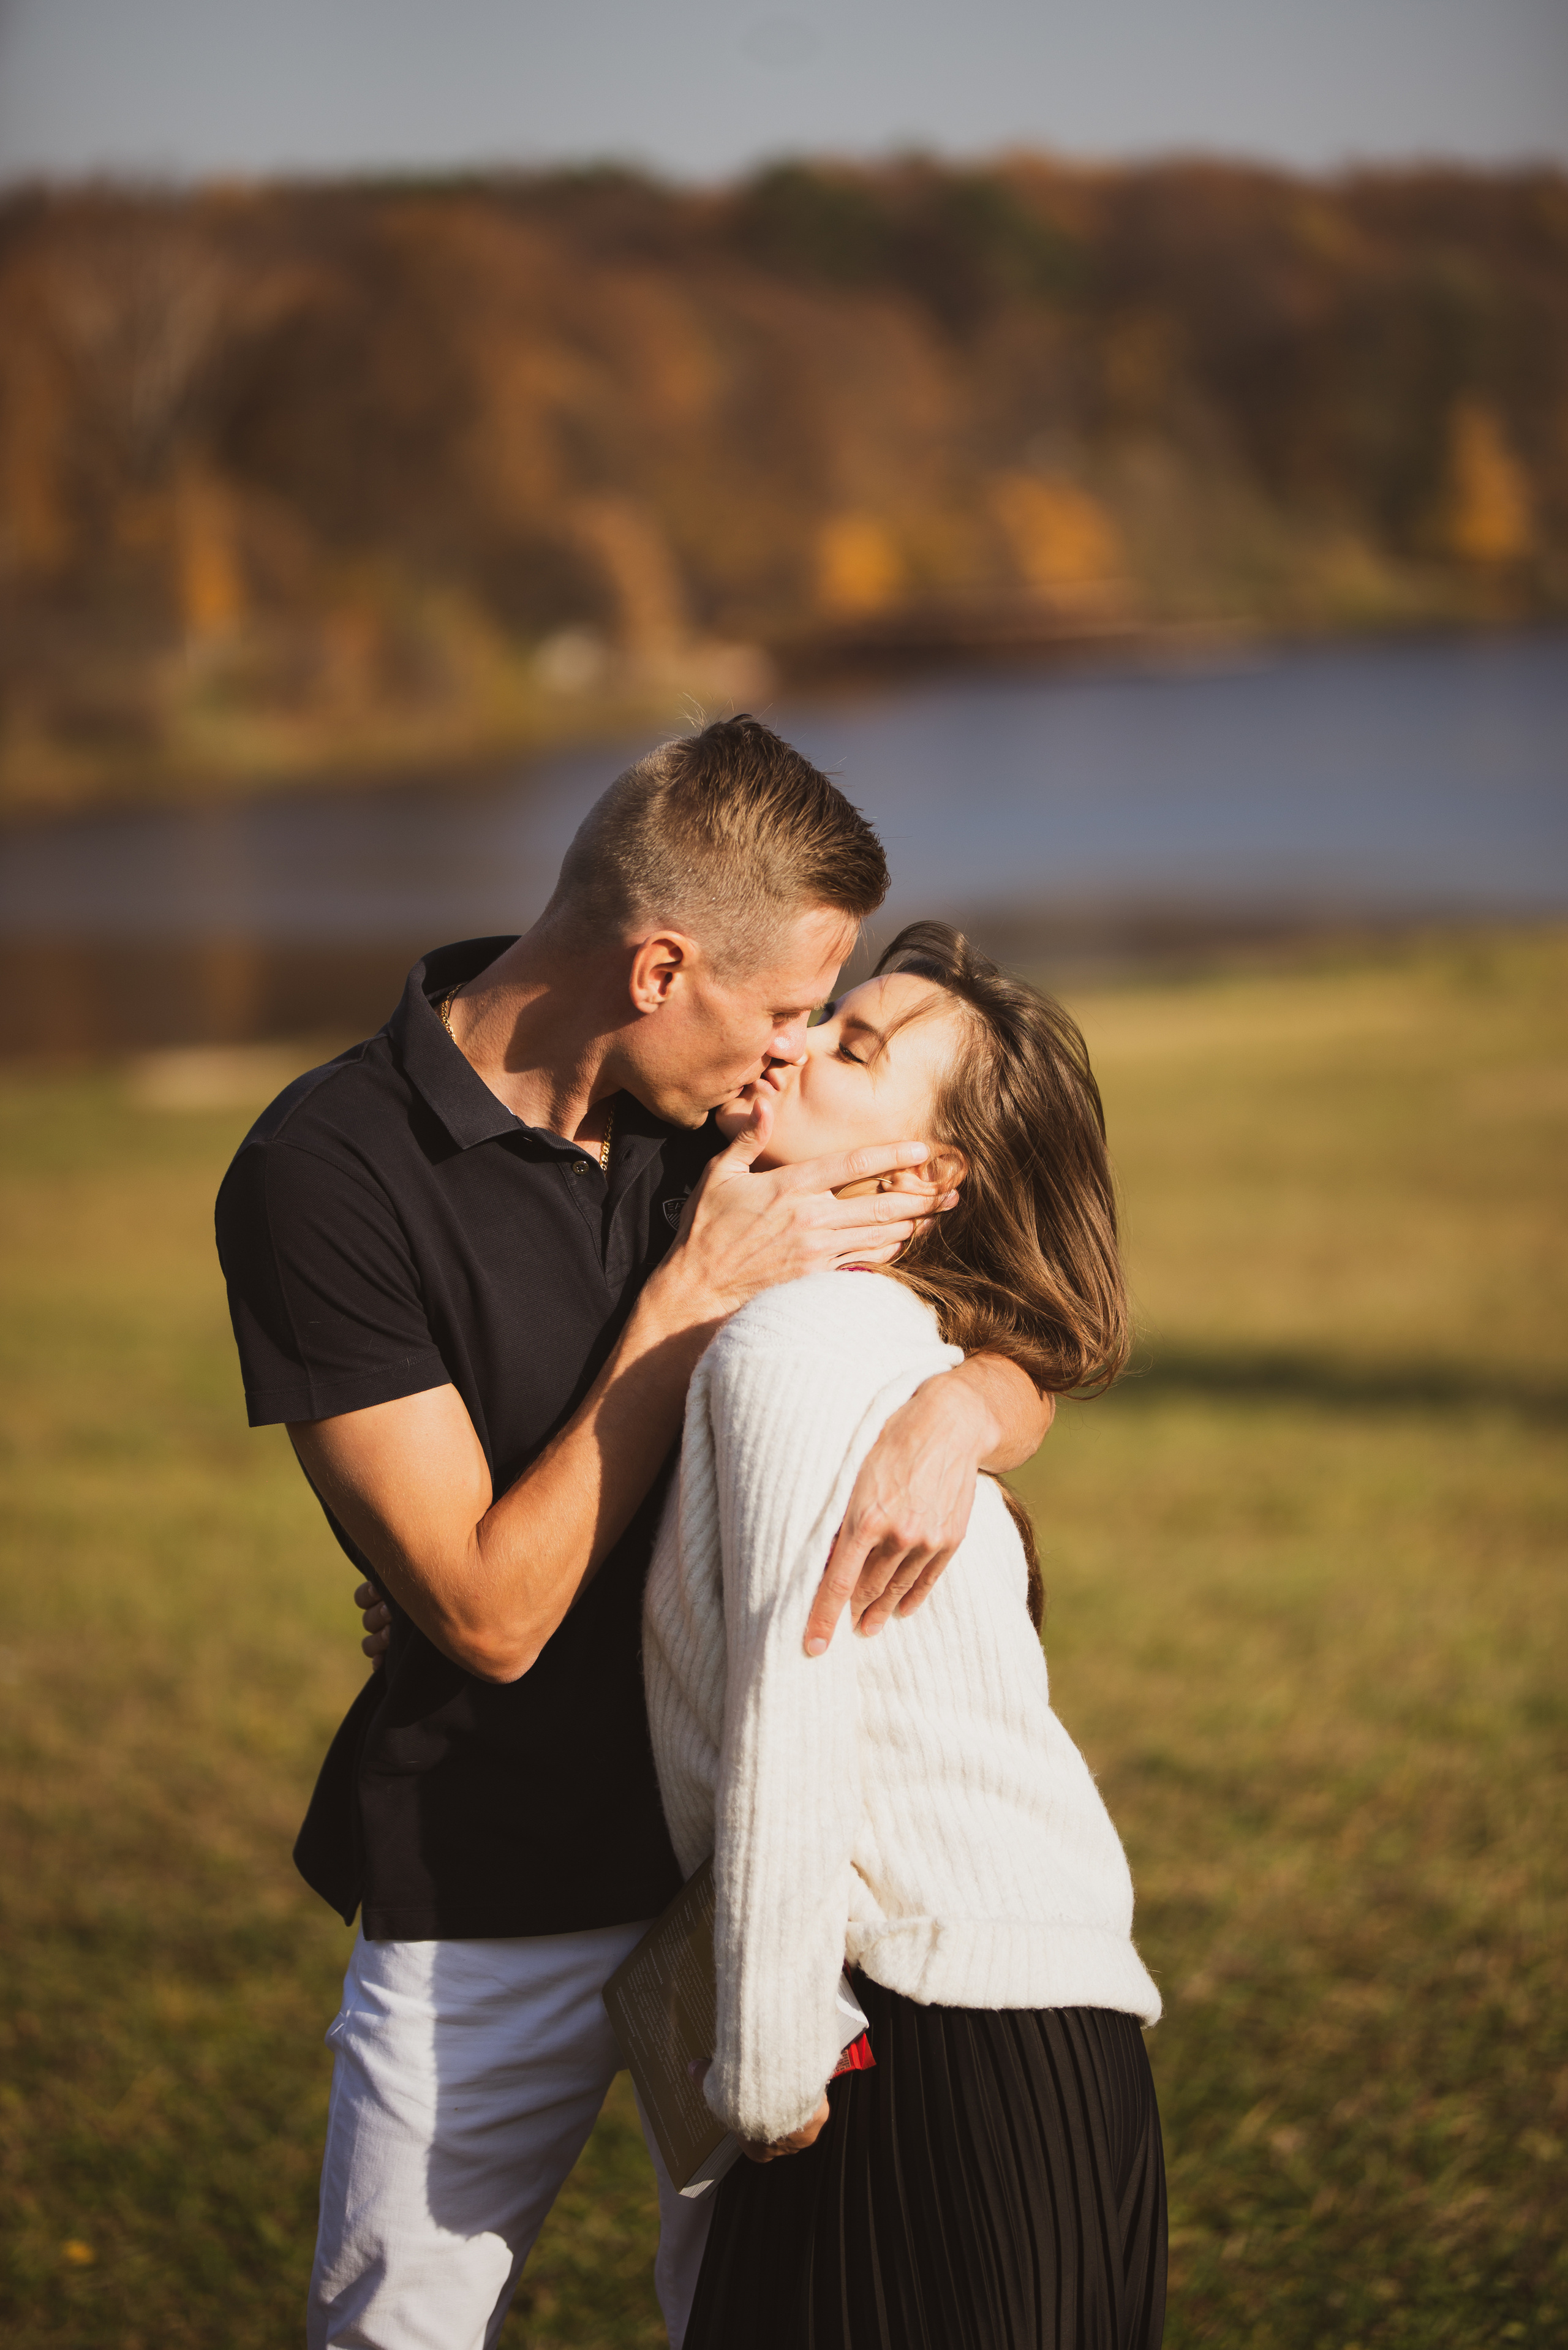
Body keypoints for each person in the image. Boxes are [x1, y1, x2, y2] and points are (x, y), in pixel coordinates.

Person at [213, 719, 1054, 2350]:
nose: (794, 1058)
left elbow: (1039, 1320)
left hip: (761, 1878)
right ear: (660, 966)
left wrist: (960, 1419)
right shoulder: (324, 1173)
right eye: (789, 1007)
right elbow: (484, 1611)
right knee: (395, 2330)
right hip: (484, 1884)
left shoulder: (730, 1119)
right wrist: (686, 1304)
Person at [644, 920, 1166, 2350]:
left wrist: (757, 2069)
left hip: (927, 2037)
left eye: (851, 1046)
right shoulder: (863, 1343)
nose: (792, 1042)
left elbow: (790, 1702)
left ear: (922, 1177)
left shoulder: (801, 1346)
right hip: (1024, 2038)